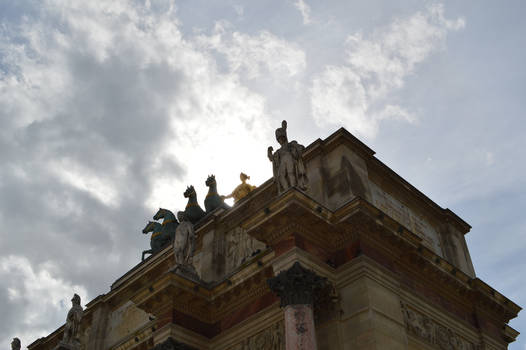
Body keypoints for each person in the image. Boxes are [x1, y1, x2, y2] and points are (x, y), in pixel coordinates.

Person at [268, 120, 308, 193]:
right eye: (279, 139)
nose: (280, 140)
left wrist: (284, 127)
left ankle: (293, 187)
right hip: (283, 161)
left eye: (281, 138)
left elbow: (300, 147)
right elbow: (272, 158)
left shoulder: (291, 144)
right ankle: (287, 190)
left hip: (289, 157)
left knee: (290, 172)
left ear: (284, 137)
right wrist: (269, 152)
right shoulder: (278, 151)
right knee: (280, 175)